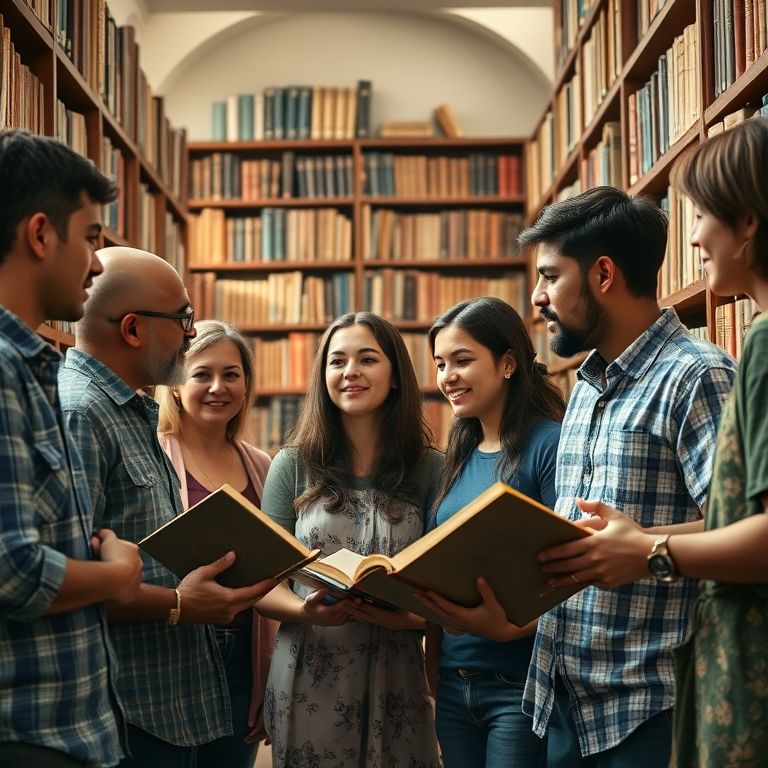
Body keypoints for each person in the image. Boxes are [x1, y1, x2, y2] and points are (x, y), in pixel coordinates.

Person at [534, 119, 768, 768]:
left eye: (551, 277)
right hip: (567, 700)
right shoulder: (581, 386)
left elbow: (745, 529)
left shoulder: (700, 374)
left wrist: (647, 549)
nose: (537, 297)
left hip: (648, 710)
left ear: (602, 274)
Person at [57, 246, 278, 768]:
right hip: (128, 711)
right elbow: (60, 584)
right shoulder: (82, 414)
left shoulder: (130, 411)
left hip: (173, 701)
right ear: (133, 330)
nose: (189, 333)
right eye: (183, 319)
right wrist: (181, 605)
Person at [0, 130, 143, 767]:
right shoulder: (4, 368)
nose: (95, 263)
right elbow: (9, 570)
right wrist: (117, 576)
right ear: (40, 234)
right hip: (30, 735)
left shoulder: (31, 362)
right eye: (89, 237)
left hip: (64, 731)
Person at [257, 311, 443, 767]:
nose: (351, 372)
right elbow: (260, 581)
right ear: (323, 377)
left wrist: (416, 619)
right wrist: (303, 608)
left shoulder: (431, 467)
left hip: (398, 670)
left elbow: (445, 580)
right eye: (337, 361)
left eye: (367, 359)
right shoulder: (293, 463)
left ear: (396, 375)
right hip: (309, 665)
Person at [417, 297, 564, 768]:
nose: (447, 377)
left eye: (462, 360)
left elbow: (574, 573)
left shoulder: (549, 444)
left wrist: (509, 629)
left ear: (507, 363)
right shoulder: (456, 457)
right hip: (454, 683)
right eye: (440, 364)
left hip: (519, 682)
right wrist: (432, 672)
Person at [156, 319, 277, 768]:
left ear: (246, 384)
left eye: (231, 374)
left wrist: (267, 683)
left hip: (244, 663)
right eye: (201, 373)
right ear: (173, 384)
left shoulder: (262, 465)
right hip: (173, 653)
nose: (217, 387)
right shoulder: (153, 452)